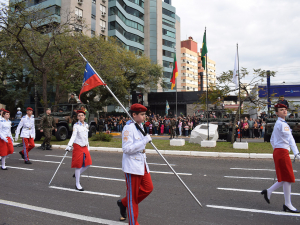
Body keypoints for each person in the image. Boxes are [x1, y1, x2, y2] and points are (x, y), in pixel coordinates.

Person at [117, 103, 153, 223]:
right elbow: (126, 149)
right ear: (134, 114)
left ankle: (124, 202)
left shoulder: (140, 126)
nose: (144, 117)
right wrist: (143, 142)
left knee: (148, 188)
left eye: (144, 114)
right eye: (142, 114)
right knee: (133, 197)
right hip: (132, 166)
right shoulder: (128, 128)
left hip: (142, 164)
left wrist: (144, 141)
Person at [261, 104, 300, 213]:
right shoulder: (283, 125)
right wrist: (296, 152)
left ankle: (269, 191)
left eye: (285, 109)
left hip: (279, 152)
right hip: (282, 152)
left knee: (285, 178)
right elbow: (290, 139)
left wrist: (276, 149)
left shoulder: (278, 123)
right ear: (277, 113)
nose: (284, 111)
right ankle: (287, 204)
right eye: (281, 110)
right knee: (288, 178)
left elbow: (272, 139)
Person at [65, 110, 92, 191]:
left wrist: (88, 146)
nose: (81, 117)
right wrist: (69, 145)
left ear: (84, 116)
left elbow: (86, 137)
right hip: (78, 146)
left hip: (85, 146)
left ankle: (77, 174)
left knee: (88, 163)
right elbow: (73, 136)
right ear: (77, 117)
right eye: (79, 115)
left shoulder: (86, 125)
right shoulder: (76, 126)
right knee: (78, 165)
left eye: (82, 115)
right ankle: (77, 184)